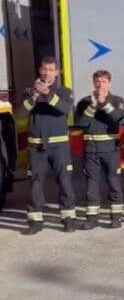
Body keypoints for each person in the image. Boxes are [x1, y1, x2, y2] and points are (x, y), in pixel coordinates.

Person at [20, 57, 76, 235]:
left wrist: (47, 94)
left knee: (64, 180)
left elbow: (65, 109)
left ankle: (68, 218)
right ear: (39, 70)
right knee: (35, 182)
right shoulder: (29, 91)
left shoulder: (64, 91)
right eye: (44, 69)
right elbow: (20, 114)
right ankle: (35, 221)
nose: (47, 73)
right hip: (37, 146)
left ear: (57, 73)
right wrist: (35, 96)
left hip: (59, 145)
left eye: (51, 70)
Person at [74, 70, 124, 229]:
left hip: (110, 149)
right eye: (97, 81)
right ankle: (92, 218)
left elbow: (117, 117)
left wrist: (104, 104)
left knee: (113, 182)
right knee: (91, 185)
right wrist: (92, 106)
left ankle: (116, 217)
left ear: (109, 83)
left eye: (103, 81)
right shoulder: (84, 102)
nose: (100, 85)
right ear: (93, 83)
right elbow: (81, 123)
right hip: (91, 151)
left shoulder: (117, 100)